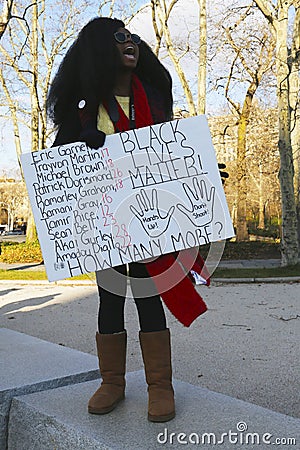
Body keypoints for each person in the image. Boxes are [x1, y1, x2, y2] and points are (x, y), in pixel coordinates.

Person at [47, 17, 225, 423]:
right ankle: (112, 382)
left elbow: (174, 151)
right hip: (105, 227)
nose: (129, 42)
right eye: (118, 38)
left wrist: (203, 170)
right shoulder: (83, 112)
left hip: (149, 221)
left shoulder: (156, 102)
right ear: (97, 51)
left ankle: (159, 385)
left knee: (148, 298)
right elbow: (58, 171)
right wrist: (79, 146)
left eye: (132, 37)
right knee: (109, 300)